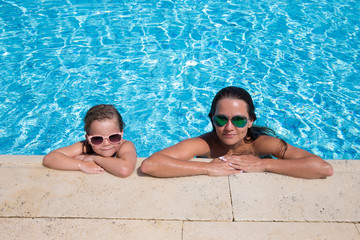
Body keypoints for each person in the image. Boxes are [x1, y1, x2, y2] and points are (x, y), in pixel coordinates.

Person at [140, 86, 333, 179]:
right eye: (221, 119)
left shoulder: (263, 144)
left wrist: (263, 164)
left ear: (250, 121)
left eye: (239, 120)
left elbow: (323, 168)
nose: (229, 128)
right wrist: (207, 168)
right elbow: (151, 164)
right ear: (212, 120)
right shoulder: (205, 144)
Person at [43, 104, 137, 178]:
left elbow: (124, 170)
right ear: (88, 138)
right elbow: (50, 158)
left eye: (114, 137)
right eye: (97, 139)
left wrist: (94, 158)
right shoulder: (85, 146)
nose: (106, 143)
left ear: (121, 134)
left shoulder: (125, 145)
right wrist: (80, 165)